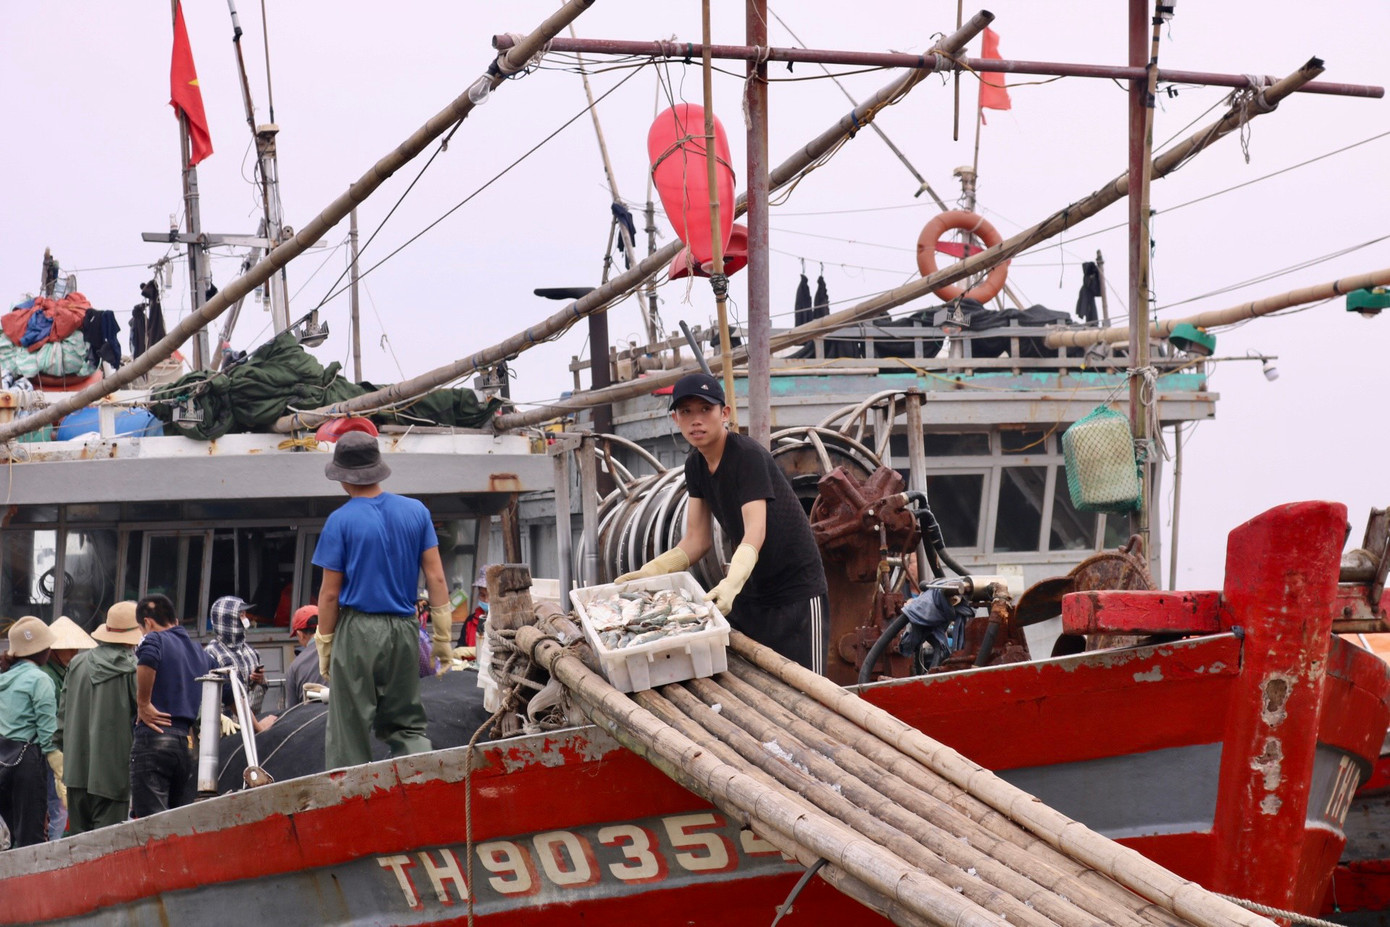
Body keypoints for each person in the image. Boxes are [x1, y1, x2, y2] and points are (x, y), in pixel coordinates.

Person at [617, 372, 830, 673]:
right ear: (675, 419)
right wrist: (650, 572)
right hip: (753, 592)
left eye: (706, 409)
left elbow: (755, 531)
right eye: (686, 412)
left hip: (797, 593)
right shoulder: (695, 465)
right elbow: (696, 540)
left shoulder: (747, 456)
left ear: (725, 413)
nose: (696, 420)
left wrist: (730, 584)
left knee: (813, 695)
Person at [311, 432, 452, 769]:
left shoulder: (340, 521)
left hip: (358, 631)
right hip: (405, 629)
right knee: (407, 723)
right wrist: (443, 637)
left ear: (344, 478)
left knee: (349, 729)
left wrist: (325, 643)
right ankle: (423, 784)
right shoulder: (416, 511)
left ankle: (352, 807)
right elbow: (436, 578)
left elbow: (330, 594)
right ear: (377, 470)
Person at [60, 602, 140, 834]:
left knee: (79, 851)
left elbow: (62, 719)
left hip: (75, 772)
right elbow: (148, 715)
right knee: (108, 851)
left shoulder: (76, 663)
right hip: (112, 775)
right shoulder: (134, 669)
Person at [131, 593, 210, 818]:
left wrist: (143, 703)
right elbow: (227, 685)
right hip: (186, 746)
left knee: (152, 823)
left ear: (147, 622)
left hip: (154, 738)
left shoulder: (154, 639)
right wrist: (257, 726)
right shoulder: (199, 651)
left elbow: (146, 657)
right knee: (178, 821)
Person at [0, 617, 64, 848]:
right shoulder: (40, 680)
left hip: (2, 760)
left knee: (8, 837)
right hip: (25, 761)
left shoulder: (3, 679)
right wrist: (60, 773)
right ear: (43, 650)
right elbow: (48, 734)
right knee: (30, 837)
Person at [40, 616, 95, 841]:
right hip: (48, 750)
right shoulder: (47, 677)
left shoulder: (62, 672)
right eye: (68, 649)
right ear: (53, 650)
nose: (73, 653)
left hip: (53, 749)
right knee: (58, 807)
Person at [204, 596, 269, 717]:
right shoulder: (212, 653)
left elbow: (260, 688)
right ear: (228, 619)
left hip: (251, 727)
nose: (246, 619)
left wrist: (260, 680)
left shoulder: (251, 651)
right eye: (241, 615)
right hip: (226, 729)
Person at [283, 605, 324, 709]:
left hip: (311, 722)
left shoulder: (294, 667)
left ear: (300, 634)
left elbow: (292, 712)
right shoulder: (343, 649)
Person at [456, 565, 492, 649]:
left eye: (490, 595)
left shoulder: (505, 623)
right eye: (482, 595)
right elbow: (460, 646)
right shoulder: (470, 620)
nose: (486, 600)